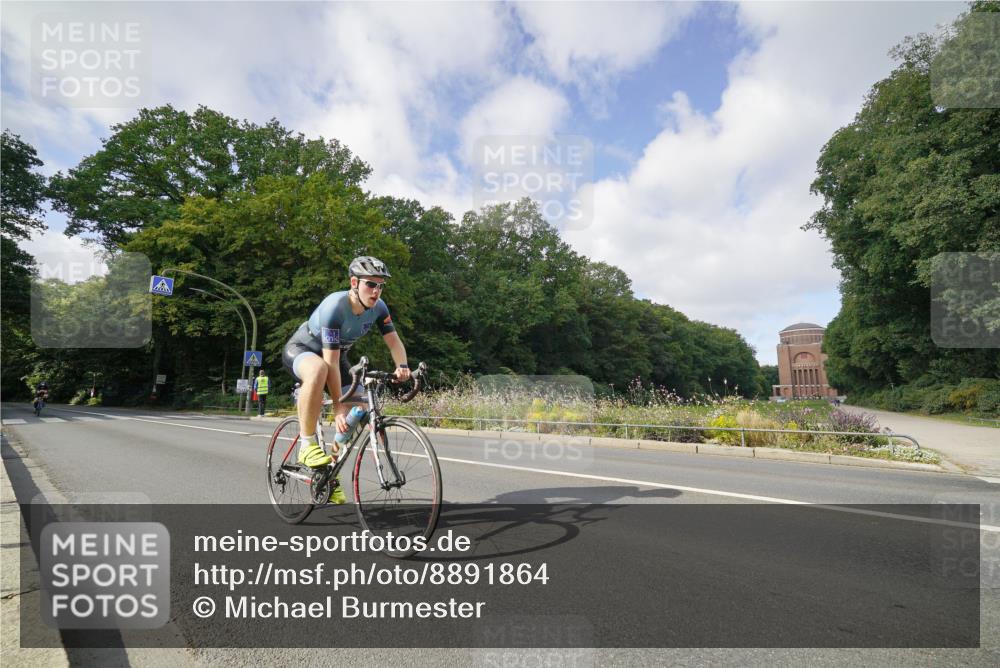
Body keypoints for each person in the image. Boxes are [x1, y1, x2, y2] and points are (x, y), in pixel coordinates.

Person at [281, 256, 410, 504]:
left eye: (380, 286)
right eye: (370, 284)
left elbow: (394, 341)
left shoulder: (379, 308)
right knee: (318, 370)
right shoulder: (335, 307)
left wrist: (402, 366)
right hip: (304, 350)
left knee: (361, 408)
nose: (376, 291)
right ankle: (306, 444)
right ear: (354, 283)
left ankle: (329, 476)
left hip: (336, 356)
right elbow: (329, 363)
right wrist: (339, 407)